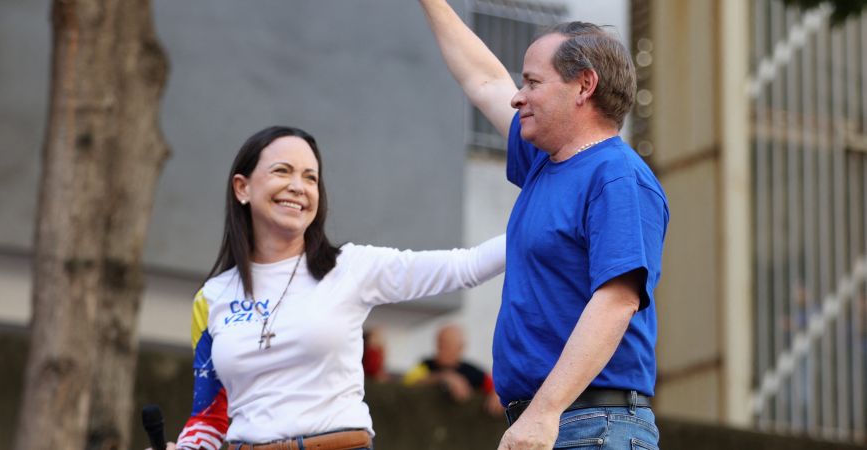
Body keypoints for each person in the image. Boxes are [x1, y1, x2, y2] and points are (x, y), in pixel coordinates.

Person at [157, 126, 505, 450]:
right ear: (242, 187)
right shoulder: (212, 297)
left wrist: (536, 224)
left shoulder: (350, 267)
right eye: (282, 171)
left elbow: (466, 265)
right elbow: (208, 418)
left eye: (310, 177)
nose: (298, 186)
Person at [418, 2, 669, 449]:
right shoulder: (547, 163)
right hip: (559, 420)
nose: (518, 96)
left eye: (533, 82)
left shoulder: (617, 176)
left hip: (589, 425)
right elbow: (483, 79)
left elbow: (617, 301)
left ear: (584, 86)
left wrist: (544, 412)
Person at [402, 324, 504, 415]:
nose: (442, 349)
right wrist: (443, 377)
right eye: (441, 343)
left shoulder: (472, 371)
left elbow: (494, 385)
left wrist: (497, 393)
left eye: (449, 345)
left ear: (461, 348)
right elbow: (408, 383)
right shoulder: (425, 365)